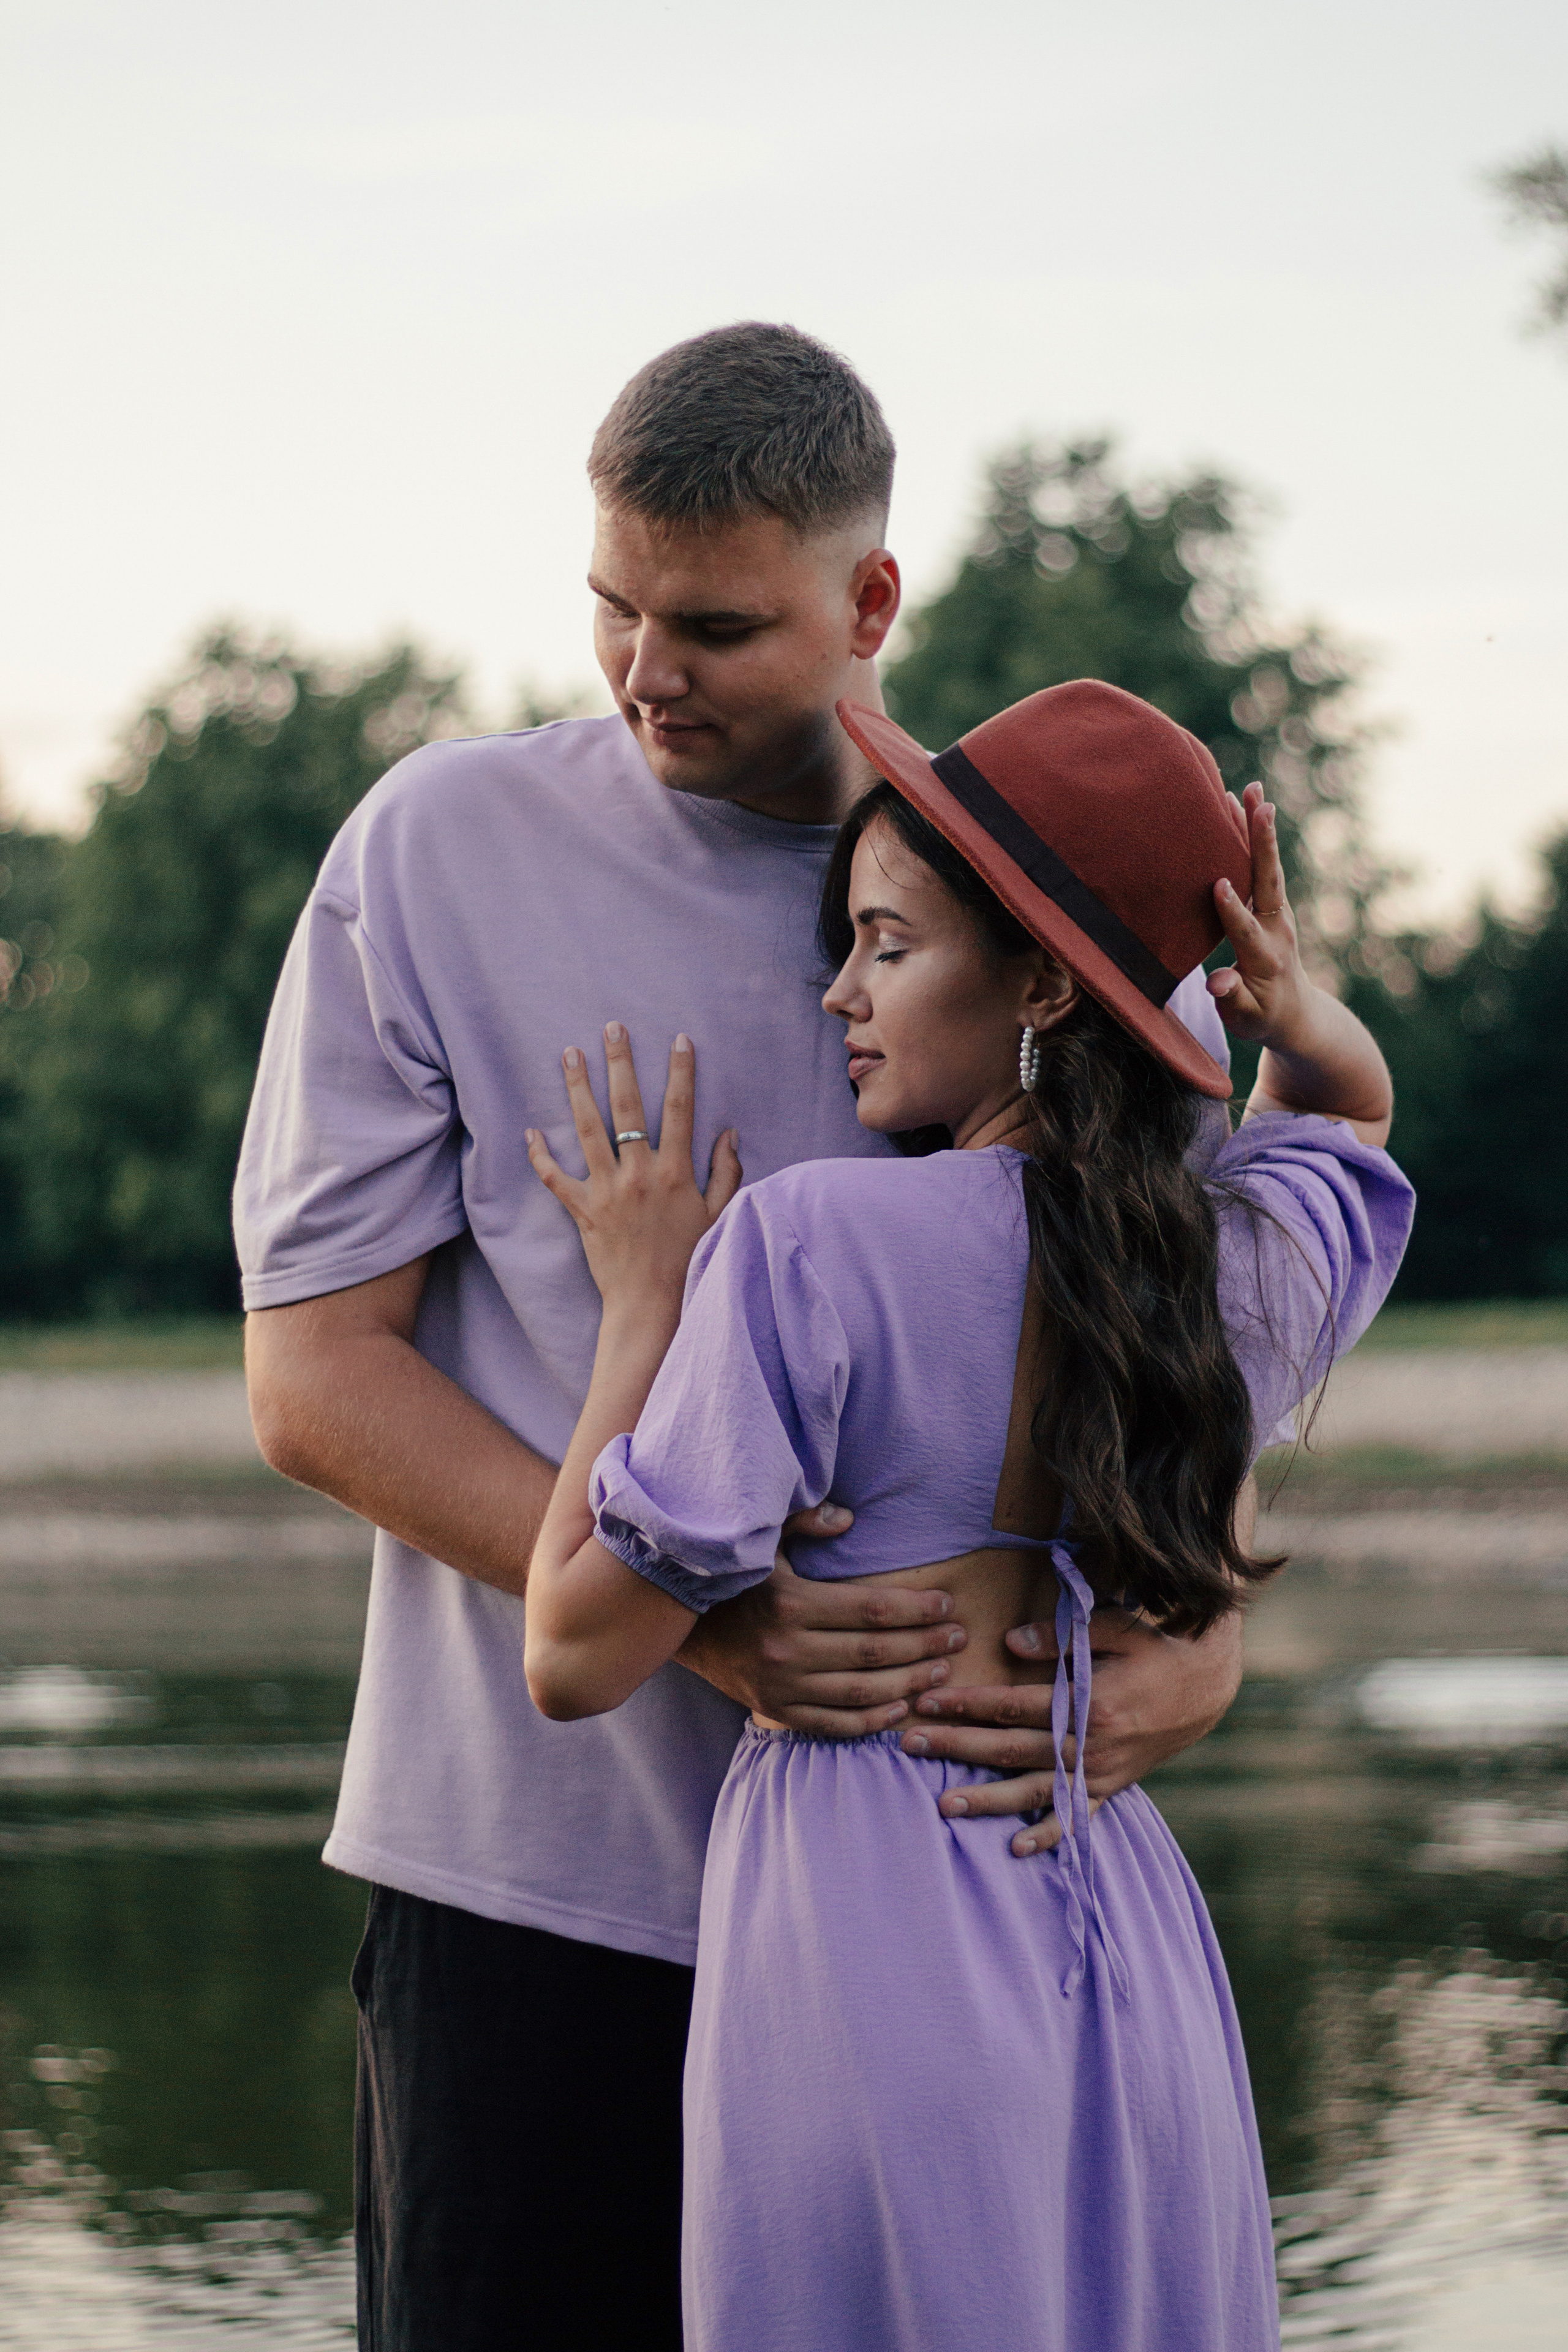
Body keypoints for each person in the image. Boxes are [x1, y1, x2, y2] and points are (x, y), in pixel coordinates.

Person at [236, 325, 1251, 2350]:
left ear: (871, 601)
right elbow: (314, 1377)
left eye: (709, 625)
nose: (640, 675)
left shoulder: (1056, 919)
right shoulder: (432, 853)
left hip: (944, 1931)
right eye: (609, 605)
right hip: (530, 1909)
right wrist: (695, 1607)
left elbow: (1174, 1352)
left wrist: (1204, 1648)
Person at [522, 680, 1415, 2351]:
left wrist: (641, 1312)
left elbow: (571, 1650)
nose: (837, 993)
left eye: (886, 946)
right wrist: (1288, 1002)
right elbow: (1350, 1113)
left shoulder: (808, 1251)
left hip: (864, 1944)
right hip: (1114, 1922)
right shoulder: (1223, 1271)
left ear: (1041, 989)